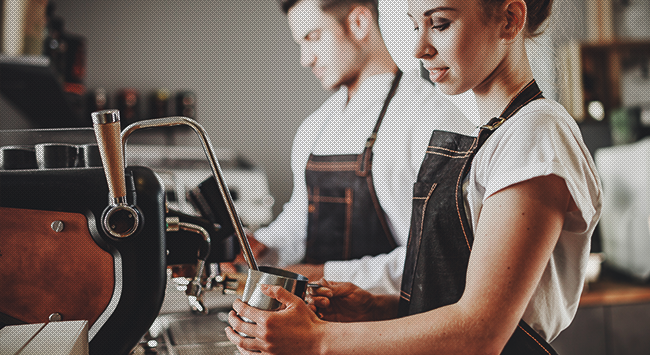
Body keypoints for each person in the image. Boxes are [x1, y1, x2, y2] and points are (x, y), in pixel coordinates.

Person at [226, 0, 602, 354]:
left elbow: (480, 332)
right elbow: (457, 293)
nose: (419, 48)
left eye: (440, 23)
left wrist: (318, 339)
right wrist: (375, 308)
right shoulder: (494, 135)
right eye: (413, 25)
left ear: (509, 19)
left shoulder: (535, 132)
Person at [248, 0, 474, 294]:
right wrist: (262, 247)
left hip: (393, 328)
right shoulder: (315, 126)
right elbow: (302, 218)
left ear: (359, 23)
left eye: (313, 37)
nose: (305, 59)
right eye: (300, 43)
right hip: (317, 325)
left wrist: (322, 275)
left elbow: (438, 258)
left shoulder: (433, 120)